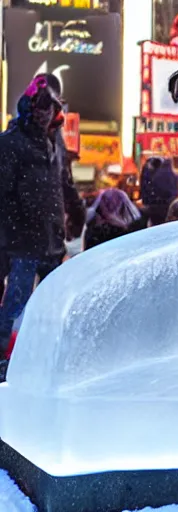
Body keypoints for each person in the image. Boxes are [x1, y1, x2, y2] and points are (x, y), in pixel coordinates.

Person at [0, 75, 84, 377]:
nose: (46, 111)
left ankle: (47, 356)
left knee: (52, 305)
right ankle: (2, 360)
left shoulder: (54, 141)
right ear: (30, 104)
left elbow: (64, 183)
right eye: (41, 104)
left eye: (52, 105)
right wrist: (10, 230)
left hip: (51, 240)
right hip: (22, 241)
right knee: (16, 305)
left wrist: (77, 212)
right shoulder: (11, 142)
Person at [140, 157, 178, 227]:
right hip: (168, 209)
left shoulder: (156, 177)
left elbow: (146, 191)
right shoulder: (175, 176)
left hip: (156, 211)